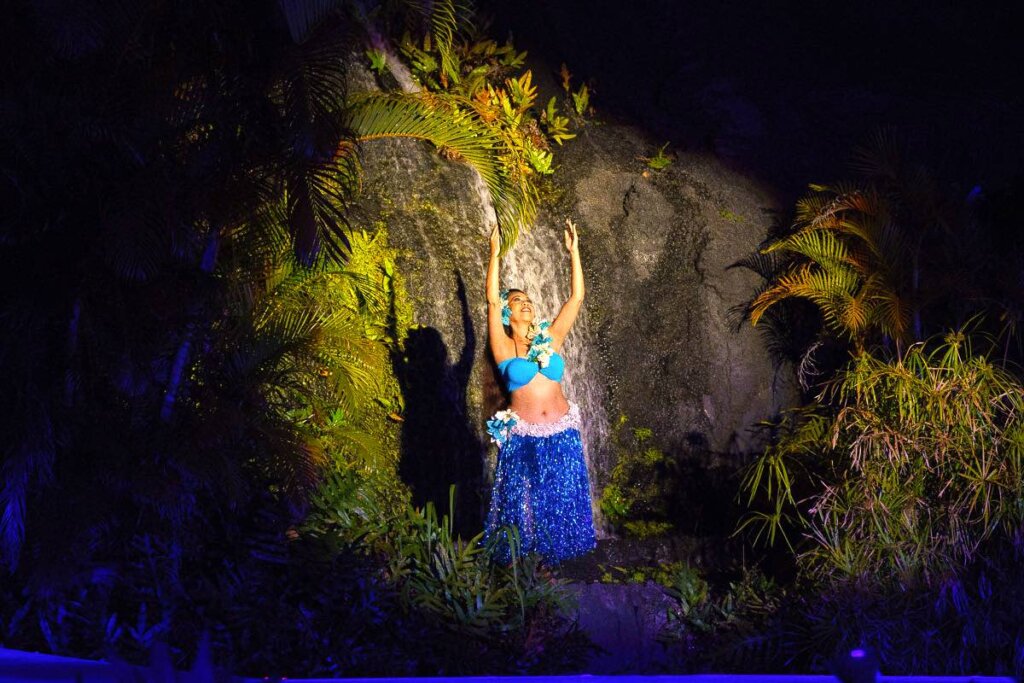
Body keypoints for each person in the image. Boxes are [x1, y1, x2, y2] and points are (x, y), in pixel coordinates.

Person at [483, 218, 597, 564]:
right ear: (508, 312)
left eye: (529, 300)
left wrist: (574, 253)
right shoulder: (503, 346)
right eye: (517, 301)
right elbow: (490, 300)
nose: (526, 304)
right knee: (524, 503)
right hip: (524, 435)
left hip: (563, 430)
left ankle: (561, 566)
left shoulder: (552, 338)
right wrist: (495, 254)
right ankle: (527, 568)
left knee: (560, 500)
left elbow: (576, 298)